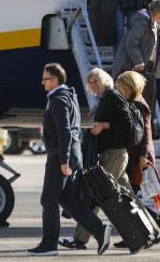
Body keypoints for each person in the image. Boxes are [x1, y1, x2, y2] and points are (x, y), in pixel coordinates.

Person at [29, 63, 111, 256]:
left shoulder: (58, 100)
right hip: (72, 155)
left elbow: (65, 131)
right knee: (69, 200)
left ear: (56, 80)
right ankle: (100, 230)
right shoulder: (67, 96)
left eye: (46, 79)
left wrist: (64, 161)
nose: (42, 83)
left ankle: (49, 245)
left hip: (61, 156)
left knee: (48, 200)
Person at [60, 68, 131, 250]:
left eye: (96, 82)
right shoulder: (105, 99)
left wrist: (104, 125)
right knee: (127, 197)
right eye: (90, 83)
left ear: (105, 81)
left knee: (95, 194)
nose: (93, 86)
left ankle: (80, 239)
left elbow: (127, 124)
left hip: (114, 154)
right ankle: (146, 230)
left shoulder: (113, 98)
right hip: (112, 153)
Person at [116, 70, 160, 248]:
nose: (119, 90)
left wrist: (144, 156)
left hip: (137, 156)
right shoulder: (134, 102)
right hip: (134, 155)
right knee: (130, 197)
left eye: (121, 87)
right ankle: (150, 227)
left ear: (129, 86)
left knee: (129, 198)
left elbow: (146, 132)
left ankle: (149, 228)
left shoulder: (138, 104)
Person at [112, 0, 160, 110]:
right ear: (158, 12)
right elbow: (131, 43)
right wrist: (138, 61)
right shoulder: (142, 22)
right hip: (130, 67)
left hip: (139, 68)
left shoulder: (151, 22)